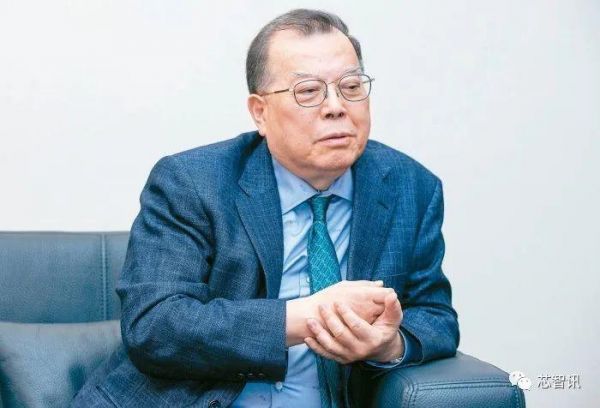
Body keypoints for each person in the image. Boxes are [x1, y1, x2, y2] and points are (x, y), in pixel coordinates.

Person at [72, 8, 459, 408]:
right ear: (260, 112)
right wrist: (306, 317)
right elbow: (155, 326)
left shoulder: (410, 187)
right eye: (308, 91)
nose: (336, 106)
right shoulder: (192, 182)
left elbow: (435, 316)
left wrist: (389, 345)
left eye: (351, 86)